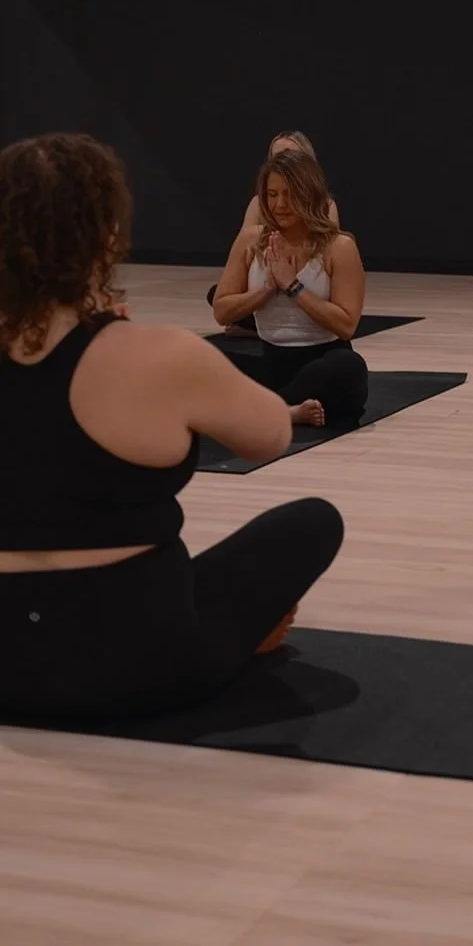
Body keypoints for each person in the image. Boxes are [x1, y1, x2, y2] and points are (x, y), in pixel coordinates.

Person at [0, 133, 343, 722]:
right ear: (107, 235)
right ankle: (234, 641)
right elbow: (270, 435)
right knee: (312, 521)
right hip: (140, 664)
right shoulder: (156, 353)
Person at [211, 147, 368, 427]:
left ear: (309, 193)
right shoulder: (250, 240)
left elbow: (346, 325)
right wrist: (267, 289)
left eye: (289, 194)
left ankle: (260, 408)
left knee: (349, 369)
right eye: (272, 195)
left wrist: (293, 286)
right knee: (201, 357)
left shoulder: (339, 246)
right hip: (272, 362)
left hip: (323, 362)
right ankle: (285, 410)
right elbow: (222, 311)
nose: (280, 204)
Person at [206, 131, 340, 333]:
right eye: (276, 156)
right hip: (268, 282)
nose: (280, 204)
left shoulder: (327, 206)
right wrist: (269, 280)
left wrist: (292, 278)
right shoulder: (257, 205)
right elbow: (243, 255)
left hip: (307, 290)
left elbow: (330, 248)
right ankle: (258, 328)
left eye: (289, 154)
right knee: (217, 293)